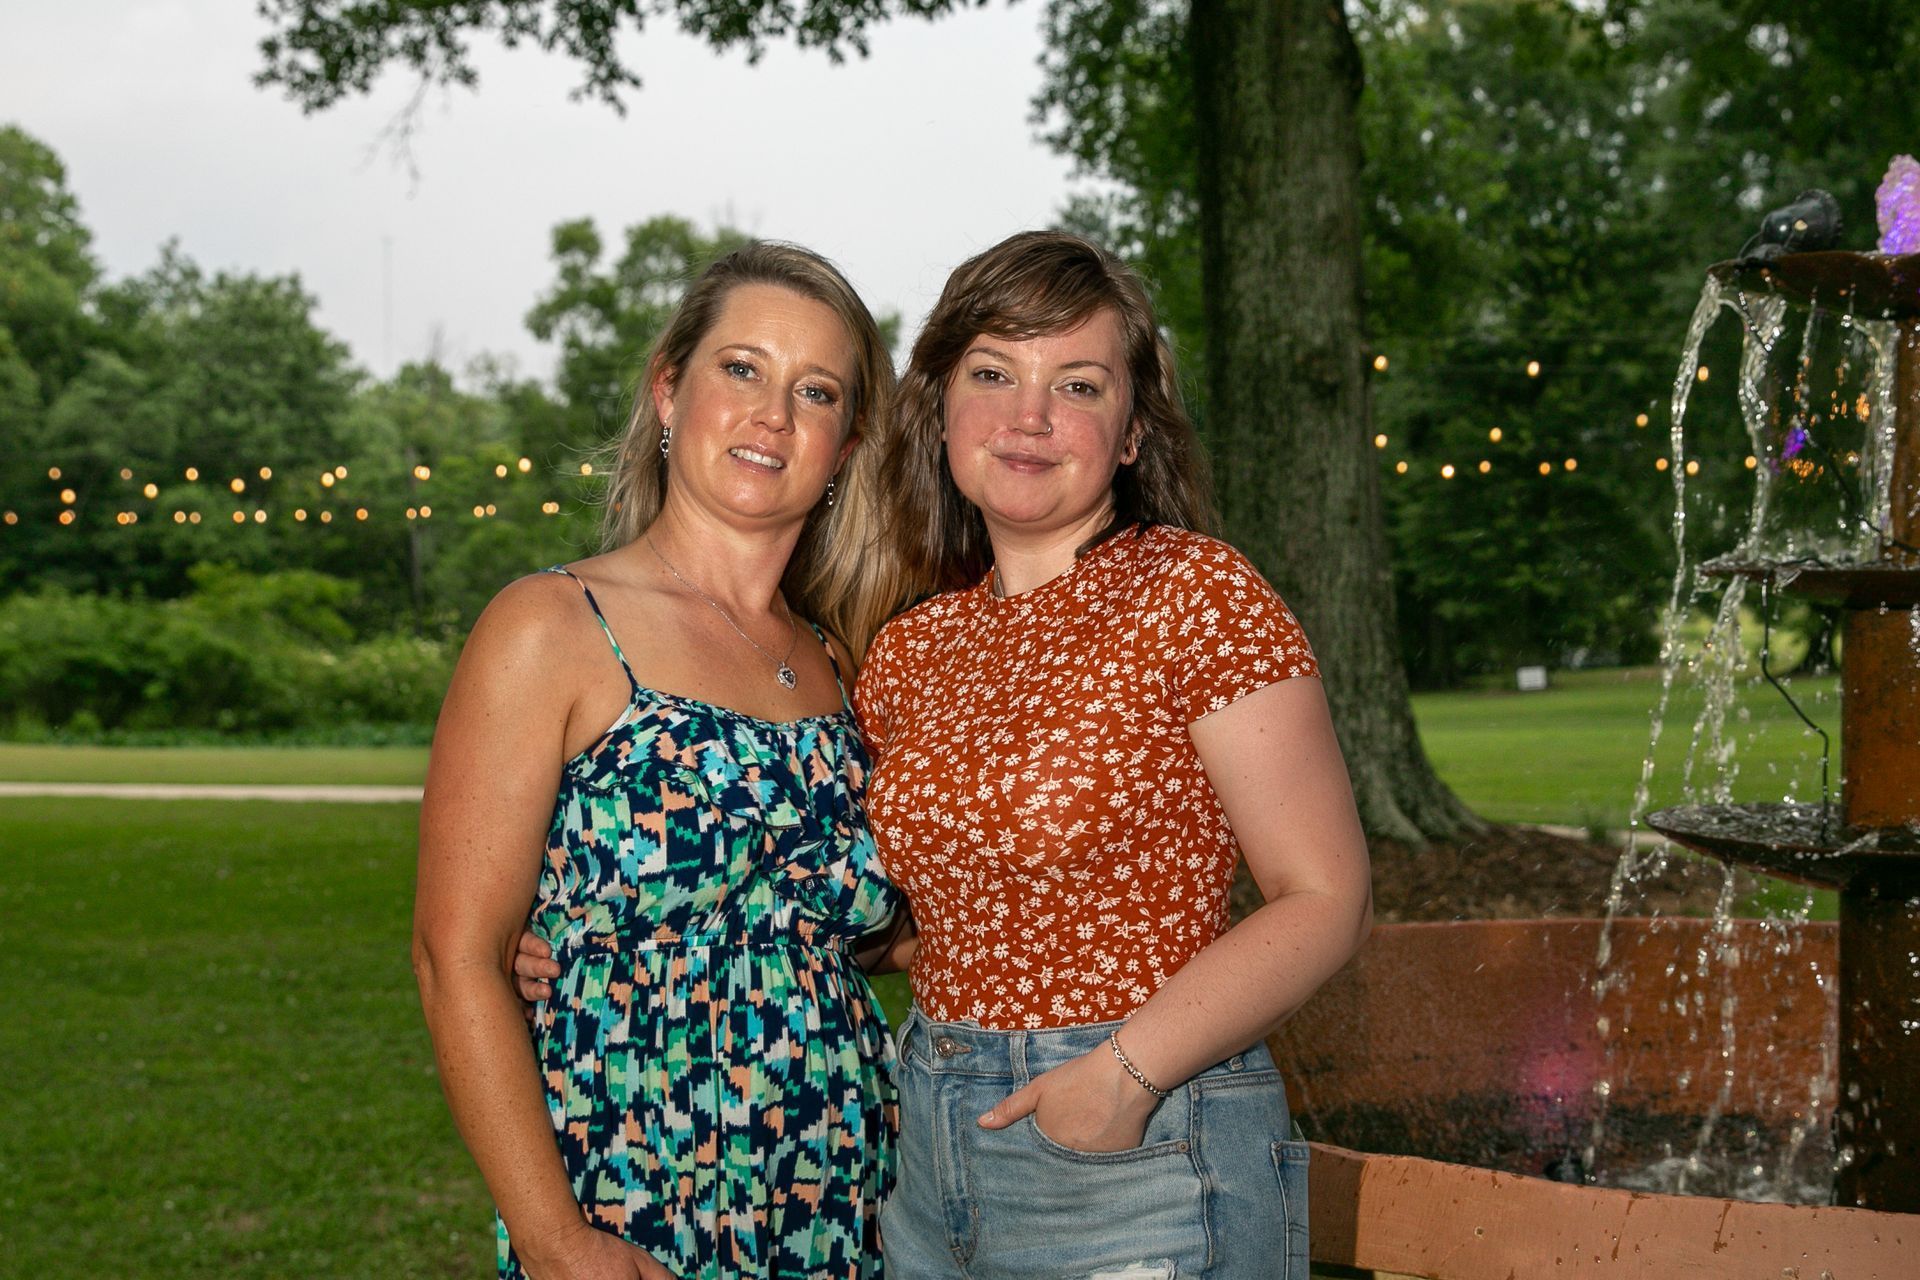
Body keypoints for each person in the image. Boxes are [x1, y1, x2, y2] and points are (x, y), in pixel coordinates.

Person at [854, 230, 1373, 1279]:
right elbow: (900, 912)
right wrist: (579, 928)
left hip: (1140, 1147)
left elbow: (1325, 895)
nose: (1029, 416)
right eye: (993, 373)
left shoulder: (1198, 593)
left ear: (1132, 433)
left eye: (1077, 384)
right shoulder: (912, 648)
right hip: (929, 1145)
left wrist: (1121, 1076)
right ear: (941, 408)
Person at [414, 242, 907, 1280]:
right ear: (670, 387)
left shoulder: (842, 658)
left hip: (848, 1195)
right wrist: (556, 1240)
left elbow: (861, 925)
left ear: (847, 441)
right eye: (742, 368)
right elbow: (454, 954)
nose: (773, 413)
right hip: (635, 1196)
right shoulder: (552, 624)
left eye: (814, 390)